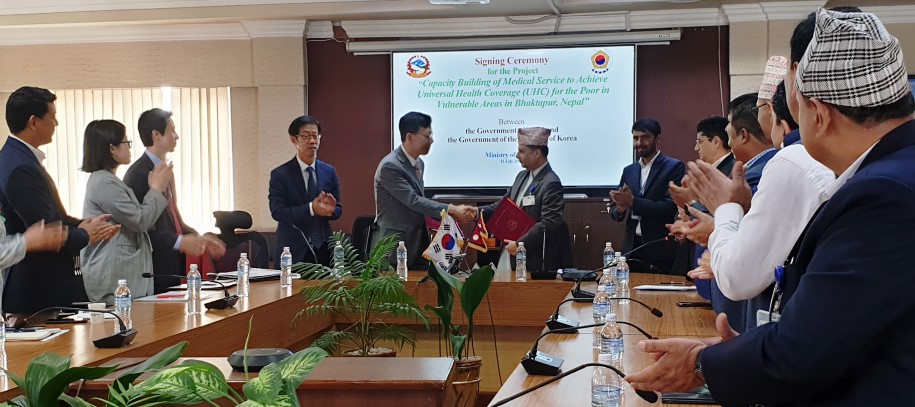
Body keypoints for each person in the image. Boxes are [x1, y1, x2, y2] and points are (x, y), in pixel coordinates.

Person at [627, 9, 915, 405]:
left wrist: (699, 363)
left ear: (818, 114)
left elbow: (801, 353)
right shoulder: (892, 171)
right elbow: (844, 329)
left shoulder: (881, 194)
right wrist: (742, 350)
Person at [0, 86, 117, 316]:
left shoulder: (18, 157)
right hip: (36, 290)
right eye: (52, 117)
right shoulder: (19, 166)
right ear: (34, 122)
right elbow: (47, 232)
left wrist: (83, 225)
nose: (56, 123)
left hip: (39, 287)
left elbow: (53, 218)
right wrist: (84, 234)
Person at [124, 108, 224, 293]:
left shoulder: (165, 170)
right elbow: (142, 227)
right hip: (154, 267)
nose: (176, 136)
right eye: (172, 131)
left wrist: (198, 238)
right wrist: (180, 242)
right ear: (156, 135)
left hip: (173, 263)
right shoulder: (138, 173)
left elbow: (174, 218)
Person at [80, 120, 173, 304]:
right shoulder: (103, 182)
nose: (129, 147)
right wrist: (156, 189)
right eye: (126, 142)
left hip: (125, 276)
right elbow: (139, 220)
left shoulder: (110, 180)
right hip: (114, 279)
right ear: (112, 148)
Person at [371, 112, 475, 268]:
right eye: (427, 136)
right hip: (393, 247)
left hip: (416, 242)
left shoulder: (419, 164)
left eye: (431, 135)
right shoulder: (390, 166)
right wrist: (452, 210)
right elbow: (414, 201)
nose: (431, 140)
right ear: (410, 137)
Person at [478, 127, 572, 273]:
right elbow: (503, 206)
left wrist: (520, 244)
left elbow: (550, 223)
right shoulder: (521, 176)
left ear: (537, 153)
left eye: (521, 151)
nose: (517, 155)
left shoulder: (551, 182)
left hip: (533, 260)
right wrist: (476, 212)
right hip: (509, 252)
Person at [609, 118, 684, 274]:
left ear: (657, 138)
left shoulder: (674, 167)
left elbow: (669, 207)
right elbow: (615, 211)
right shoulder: (629, 170)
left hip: (660, 249)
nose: (639, 143)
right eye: (635, 138)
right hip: (632, 248)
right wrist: (620, 209)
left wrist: (633, 202)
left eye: (645, 137)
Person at [269, 115, 342, 266]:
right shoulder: (280, 174)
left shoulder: (329, 171)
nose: (312, 141)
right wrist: (311, 209)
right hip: (293, 251)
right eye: (305, 136)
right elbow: (278, 212)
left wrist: (330, 210)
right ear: (294, 139)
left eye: (315, 136)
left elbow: (338, 209)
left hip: (324, 249)